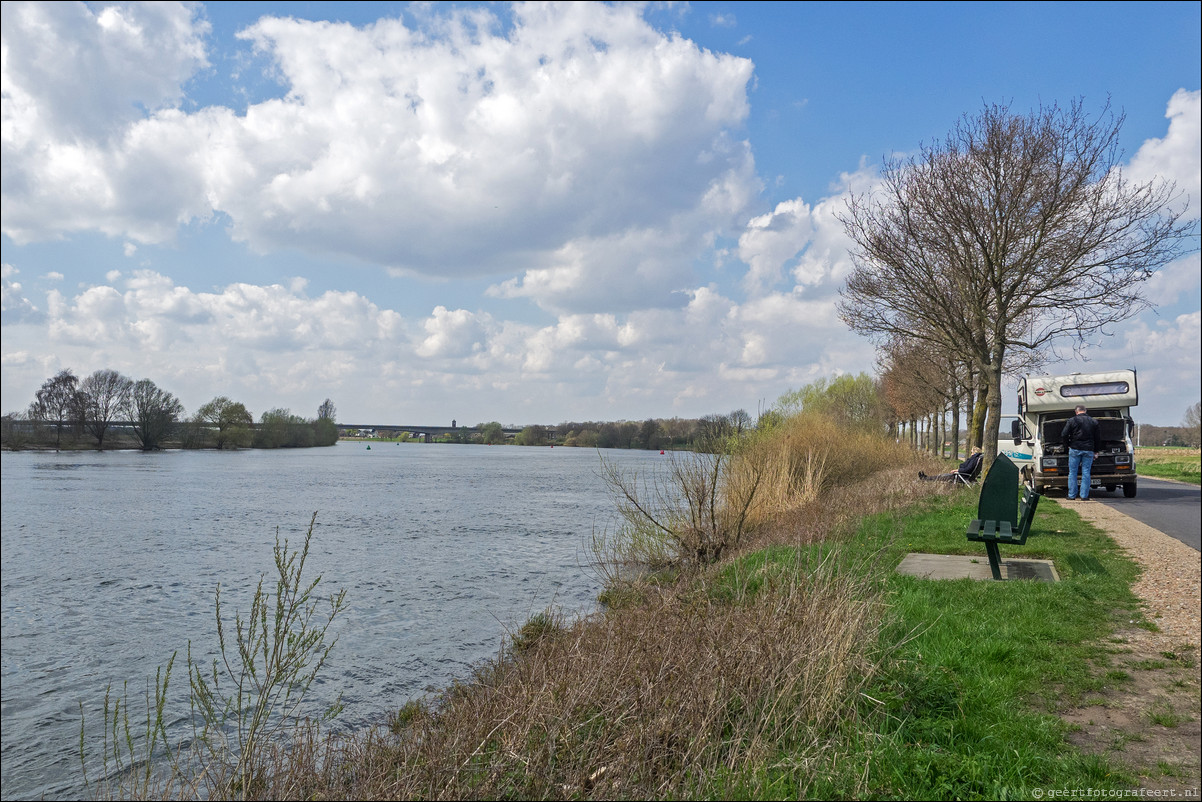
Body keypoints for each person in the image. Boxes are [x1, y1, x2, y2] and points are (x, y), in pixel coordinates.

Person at [1061, 404, 1101, 500]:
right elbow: (1098, 438)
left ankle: (1071, 495)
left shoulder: (1072, 421)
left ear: (1076, 411)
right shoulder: (1093, 421)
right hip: (1088, 449)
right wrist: (1096, 451)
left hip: (1075, 448)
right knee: (1086, 472)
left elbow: (1064, 434)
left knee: (1072, 472)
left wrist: (1067, 446)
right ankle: (1084, 496)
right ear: (1085, 411)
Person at [918, 447, 983, 483]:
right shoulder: (976, 459)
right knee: (943, 475)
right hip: (964, 475)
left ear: (974, 452)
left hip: (962, 476)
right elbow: (969, 469)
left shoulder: (974, 459)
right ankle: (925, 477)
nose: (971, 453)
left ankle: (925, 478)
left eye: (971, 452)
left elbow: (968, 469)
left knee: (941, 476)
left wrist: (957, 470)